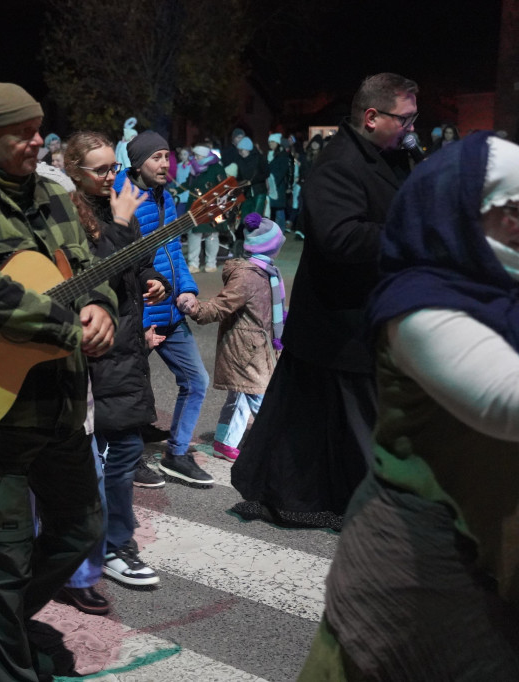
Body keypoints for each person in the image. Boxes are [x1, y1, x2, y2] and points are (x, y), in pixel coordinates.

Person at [300, 131, 519, 680]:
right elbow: (505, 401)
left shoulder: (499, 291)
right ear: (461, 215)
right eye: (517, 210)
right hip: (423, 567)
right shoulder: (419, 305)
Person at [0, 82, 117, 680]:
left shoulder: (55, 197)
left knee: (83, 526)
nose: (39, 140)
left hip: (61, 404)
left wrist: (103, 306)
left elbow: (91, 269)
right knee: (5, 559)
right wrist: (67, 324)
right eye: (24, 132)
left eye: (40, 128)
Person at [231, 73, 418, 529]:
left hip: (359, 318)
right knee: (366, 423)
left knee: (306, 422)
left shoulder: (395, 156)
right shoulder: (339, 163)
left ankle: (288, 492)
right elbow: (339, 237)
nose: (413, 127)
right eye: (405, 118)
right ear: (372, 117)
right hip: (341, 320)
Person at [63, 131, 170, 599]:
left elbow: (135, 261)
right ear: (74, 172)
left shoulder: (116, 208)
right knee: (97, 462)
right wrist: (123, 222)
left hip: (127, 344)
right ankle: (103, 547)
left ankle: (116, 542)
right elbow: (89, 274)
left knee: (126, 453)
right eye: (102, 169)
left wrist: (153, 279)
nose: (113, 176)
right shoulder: (65, 214)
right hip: (95, 349)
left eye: (113, 167)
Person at [113, 131, 214, 485]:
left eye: (167, 156)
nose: (164, 163)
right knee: (131, 391)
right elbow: (121, 264)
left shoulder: (165, 197)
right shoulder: (121, 199)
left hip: (170, 310)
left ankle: (177, 454)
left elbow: (173, 251)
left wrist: (186, 289)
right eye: (156, 157)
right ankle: (127, 457)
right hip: (140, 314)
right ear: (138, 163)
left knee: (196, 381)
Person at [188, 214, 285, 462]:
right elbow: (223, 305)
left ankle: (225, 443)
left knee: (241, 396)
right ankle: (279, 446)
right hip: (246, 349)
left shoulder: (268, 272)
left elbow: (270, 307)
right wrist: (195, 309)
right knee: (261, 400)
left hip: (257, 345)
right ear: (269, 246)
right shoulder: (249, 275)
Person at [186, 144, 227, 273]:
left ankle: (211, 263)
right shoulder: (194, 169)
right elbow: (189, 184)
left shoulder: (217, 168)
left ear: (204, 156)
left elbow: (223, 186)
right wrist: (176, 190)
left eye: (197, 156)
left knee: (212, 234)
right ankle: (193, 263)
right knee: (194, 234)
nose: (195, 158)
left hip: (212, 207)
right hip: (195, 207)